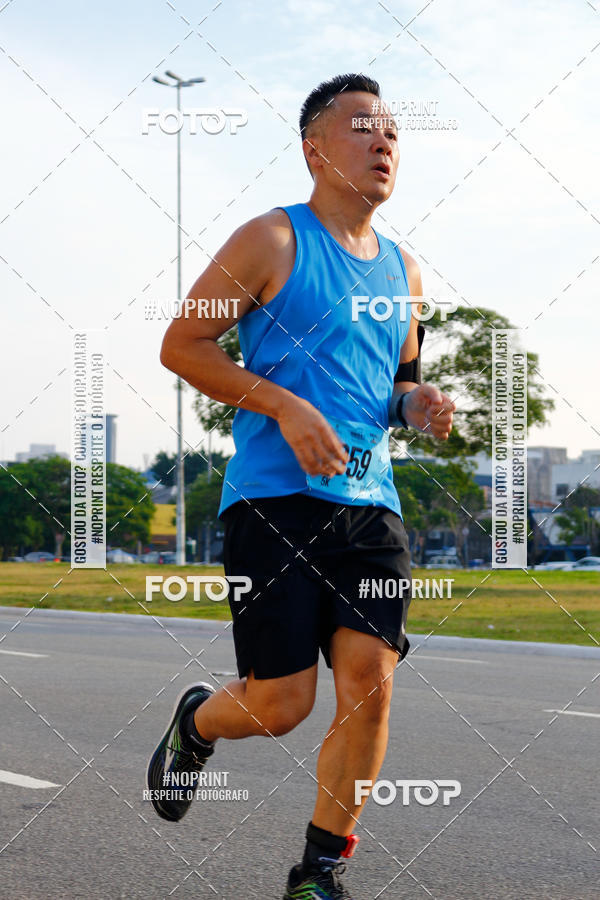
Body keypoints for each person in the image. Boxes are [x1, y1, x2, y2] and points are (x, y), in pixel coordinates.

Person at [148, 73, 455, 900]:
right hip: (272, 505)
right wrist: (283, 405)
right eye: (362, 127)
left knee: (369, 684)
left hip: (371, 511)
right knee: (281, 704)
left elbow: (393, 385)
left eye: (392, 130)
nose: (384, 141)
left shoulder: (407, 272)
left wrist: (415, 402)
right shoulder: (272, 240)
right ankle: (197, 720)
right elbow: (183, 345)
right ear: (316, 149)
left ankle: (319, 870)